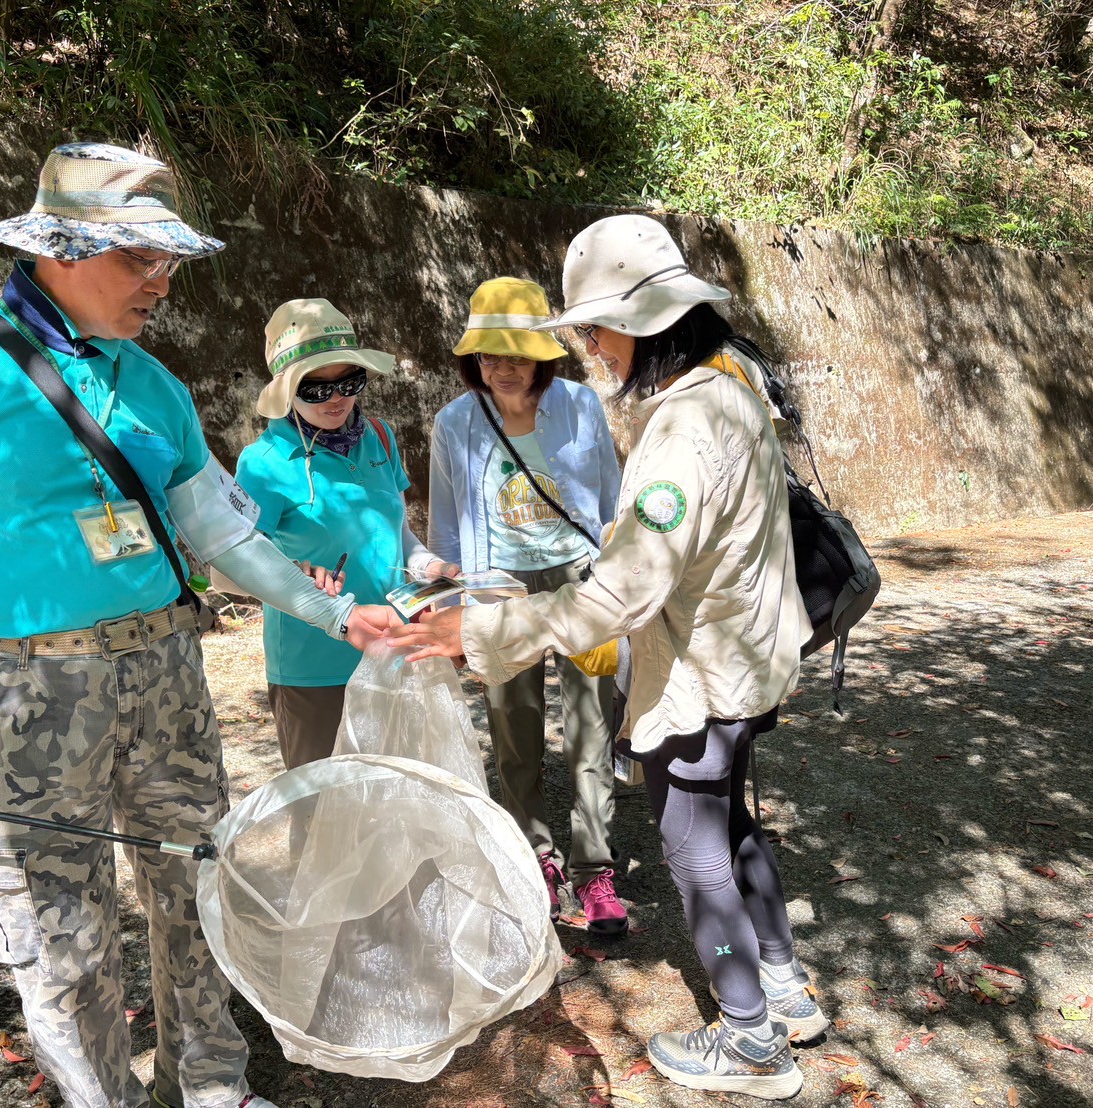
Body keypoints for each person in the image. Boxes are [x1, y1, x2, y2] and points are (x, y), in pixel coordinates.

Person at [0, 143, 398, 1108]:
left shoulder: (155, 385)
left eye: (168, 260)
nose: (162, 282)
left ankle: (209, 1086)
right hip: (25, 691)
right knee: (56, 929)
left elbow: (221, 531)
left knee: (198, 889)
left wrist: (337, 614)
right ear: (60, 250)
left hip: (166, 670)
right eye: (140, 258)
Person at [390, 215, 825, 1100]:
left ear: (640, 322)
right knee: (731, 824)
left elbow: (622, 589)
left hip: (700, 676)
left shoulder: (682, 426)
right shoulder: (735, 383)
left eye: (593, 329)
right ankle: (784, 990)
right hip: (747, 663)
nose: (590, 347)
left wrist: (480, 634)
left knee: (693, 848)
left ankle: (751, 1041)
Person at [428, 276, 626, 934]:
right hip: (498, 585)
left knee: (591, 726)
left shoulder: (580, 405)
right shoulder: (455, 422)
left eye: (517, 355)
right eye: (490, 356)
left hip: (579, 581)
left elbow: (610, 500)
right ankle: (536, 856)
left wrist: (615, 578)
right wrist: (456, 607)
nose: (503, 369)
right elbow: (447, 526)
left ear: (543, 357)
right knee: (513, 730)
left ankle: (595, 868)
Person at [235, 298, 456, 769]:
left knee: (395, 789)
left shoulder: (379, 435)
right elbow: (235, 564)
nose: (336, 399)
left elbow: (397, 529)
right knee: (322, 794)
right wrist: (299, 571)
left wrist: (428, 566)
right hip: (313, 664)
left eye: (349, 382)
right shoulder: (262, 463)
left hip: (392, 645)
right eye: (316, 388)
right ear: (287, 390)